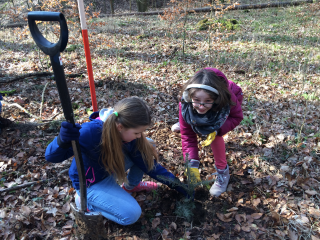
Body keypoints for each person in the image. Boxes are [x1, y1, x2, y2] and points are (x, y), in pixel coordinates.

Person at [45, 97, 188, 226]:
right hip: (90, 184)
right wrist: (62, 140)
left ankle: (131, 186)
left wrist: (179, 186)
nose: (139, 136)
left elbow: (149, 165)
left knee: (146, 146)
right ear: (120, 127)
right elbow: (51, 157)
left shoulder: (125, 134)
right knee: (131, 215)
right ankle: (86, 202)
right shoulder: (90, 133)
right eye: (137, 132)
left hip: (108, 170)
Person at [171, 68, 243, 197]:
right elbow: (187, 137)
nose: (201, 106)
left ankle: (223, 173)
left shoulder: (226, 99)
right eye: (196, 100)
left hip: (225, 103)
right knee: (188, 125)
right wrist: (191, 165)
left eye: (207, 101)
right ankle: (189, 122)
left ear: (215, 99)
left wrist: (218, 129)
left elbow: (236, 117)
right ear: (189, 96)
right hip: (200, 107)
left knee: (215, 135)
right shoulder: (185, 103)